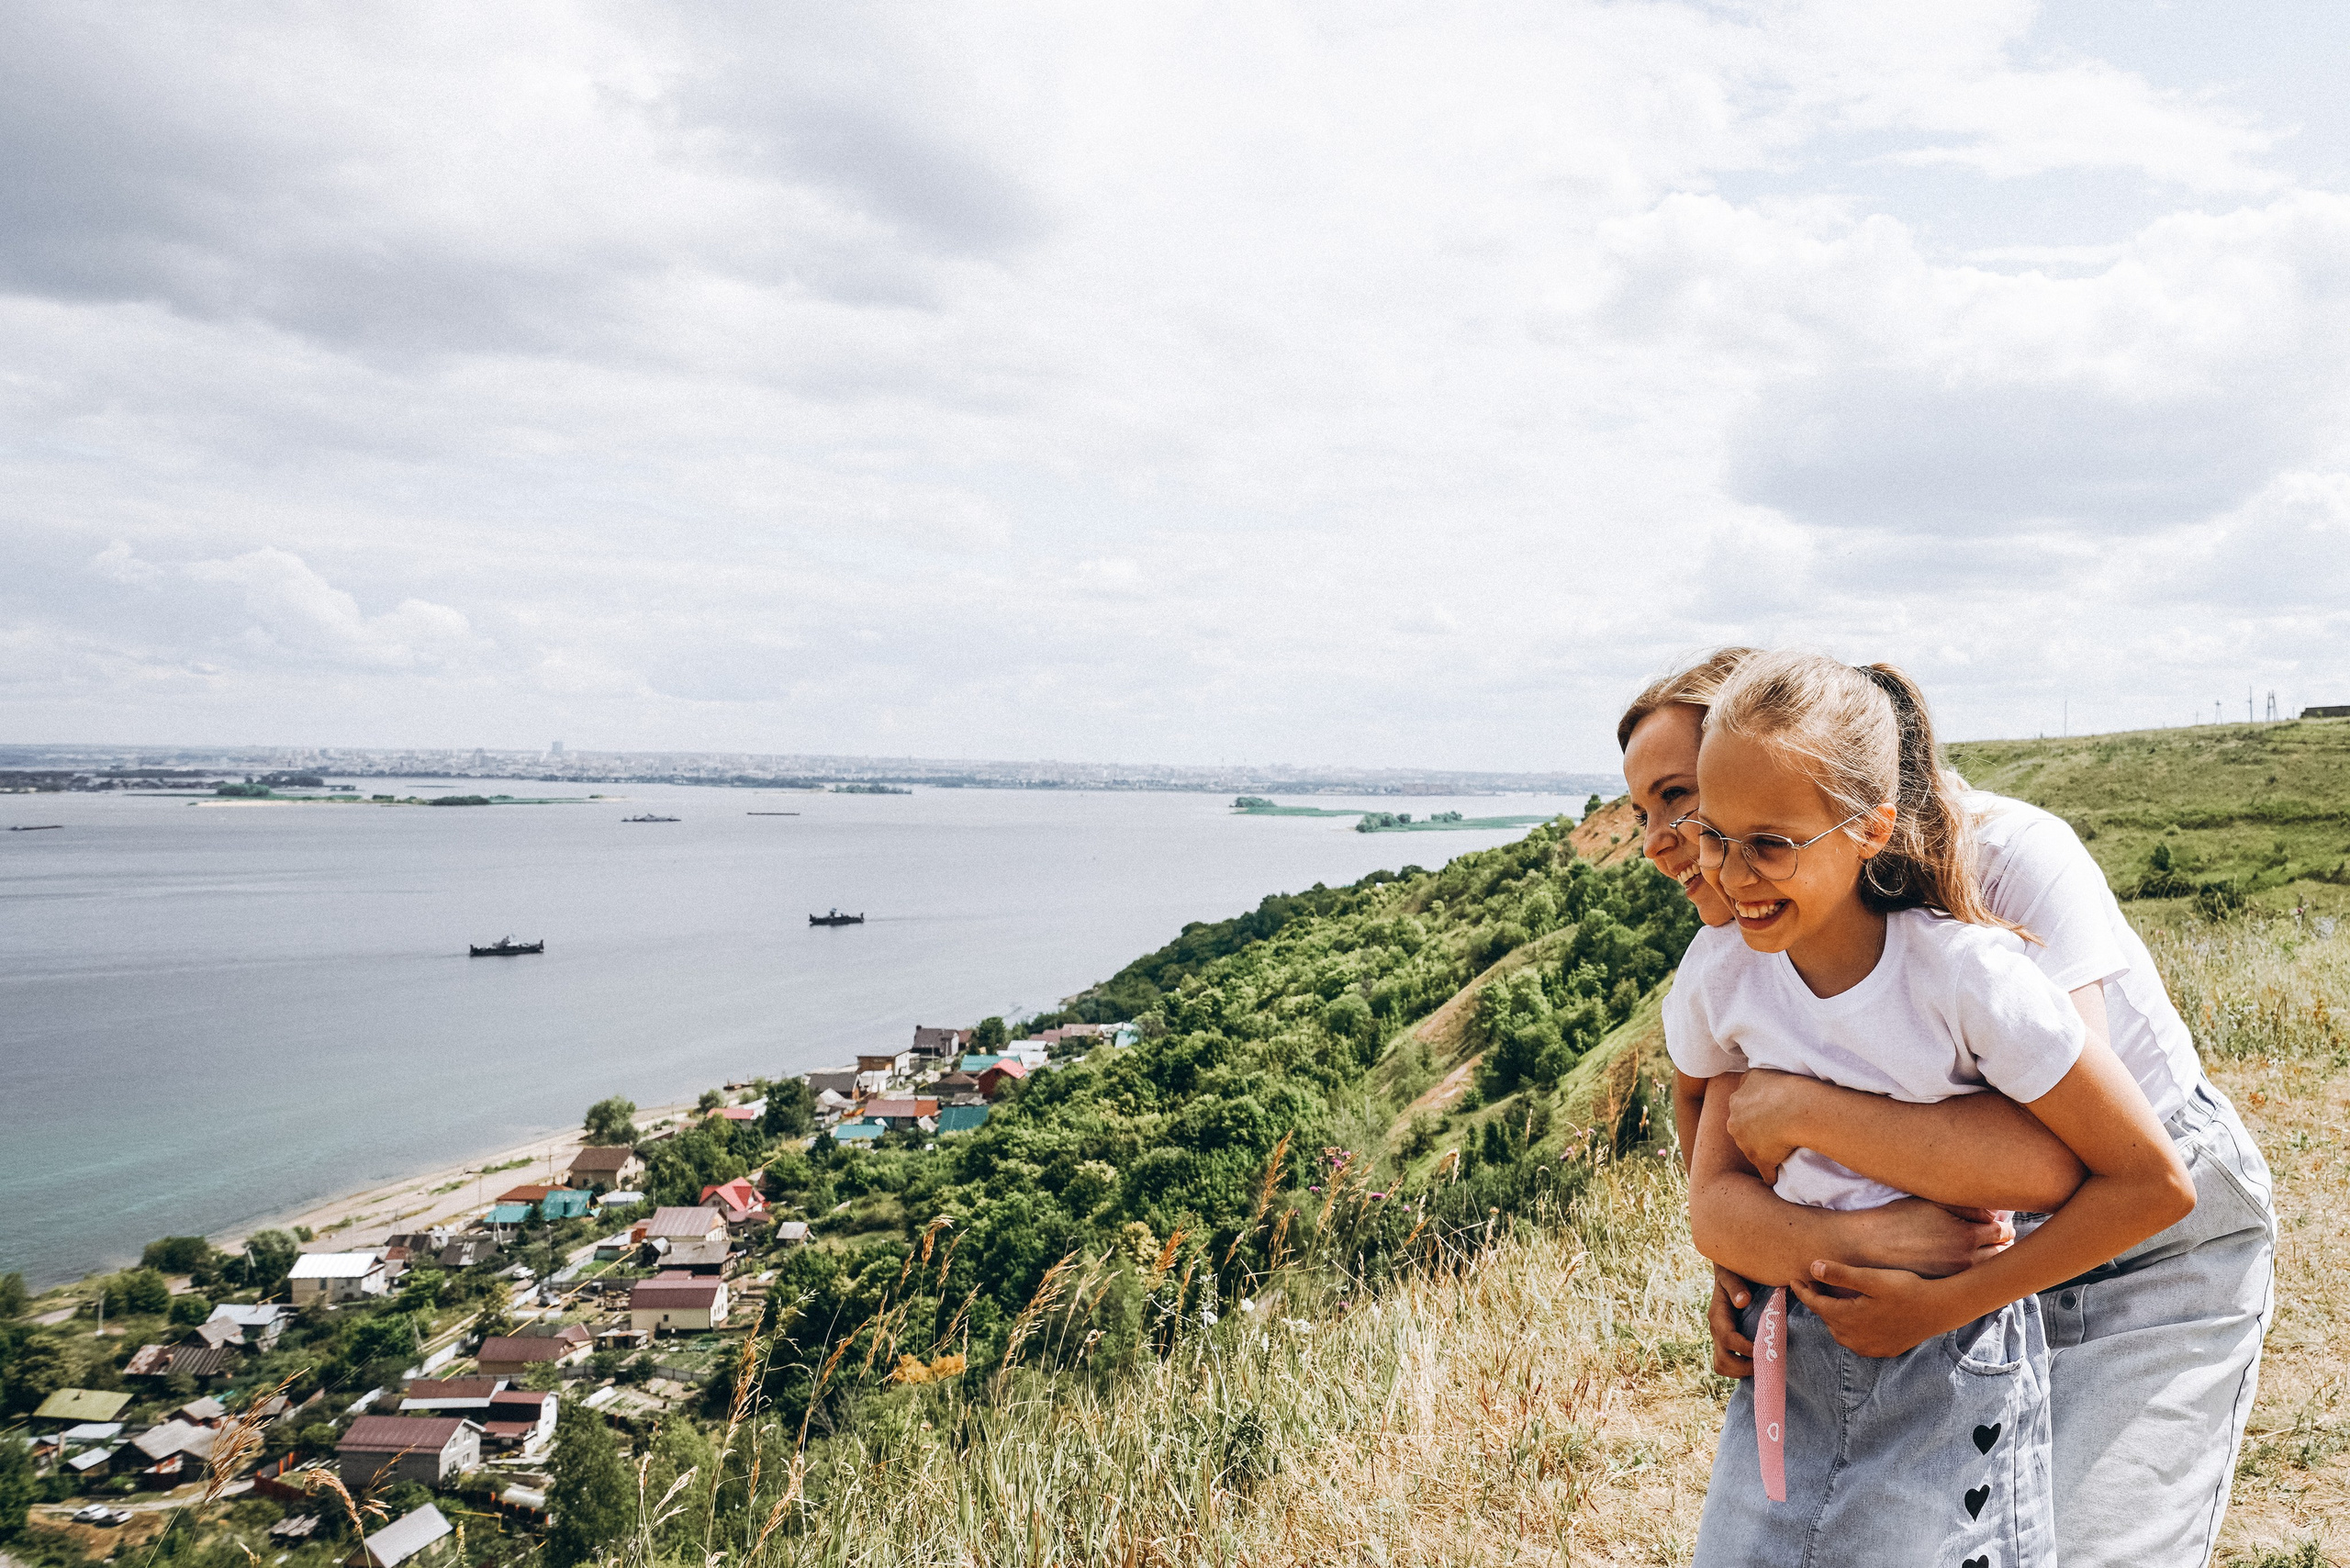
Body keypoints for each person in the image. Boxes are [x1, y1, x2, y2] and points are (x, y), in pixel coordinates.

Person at [1620, 647, 2277, 1568]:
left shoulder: (2008, 869)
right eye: (1657, 815)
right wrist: (1754, 1252)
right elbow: (1715, 1120)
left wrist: (1806, 1113)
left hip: (2144, 1247)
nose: (1669, 842)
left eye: (1680, 799)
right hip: (1955, 1258)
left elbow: (2061, 1159)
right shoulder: (1762, 947)